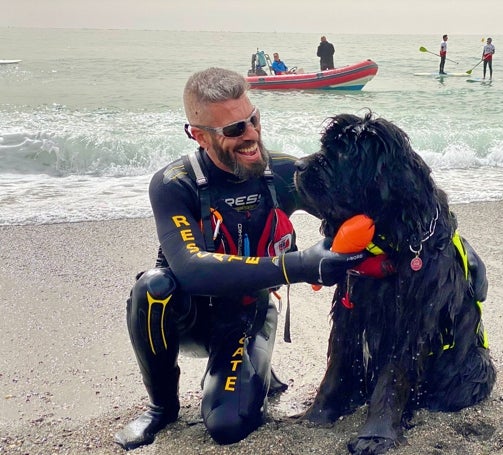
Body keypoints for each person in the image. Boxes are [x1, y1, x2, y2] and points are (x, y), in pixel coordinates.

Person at [114, 67, 365, 450]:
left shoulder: (283, 172)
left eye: (253, 119)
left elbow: (360, 210)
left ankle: (250, 365)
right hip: (190, 317)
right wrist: (300, 265)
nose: (250, 135)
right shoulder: (174, 183)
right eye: (234, 130)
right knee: (152, 287)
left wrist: (445, 242)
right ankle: (161, 407)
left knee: (226, 427)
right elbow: (191, 269)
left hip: (247, 313)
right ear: (198, 135)